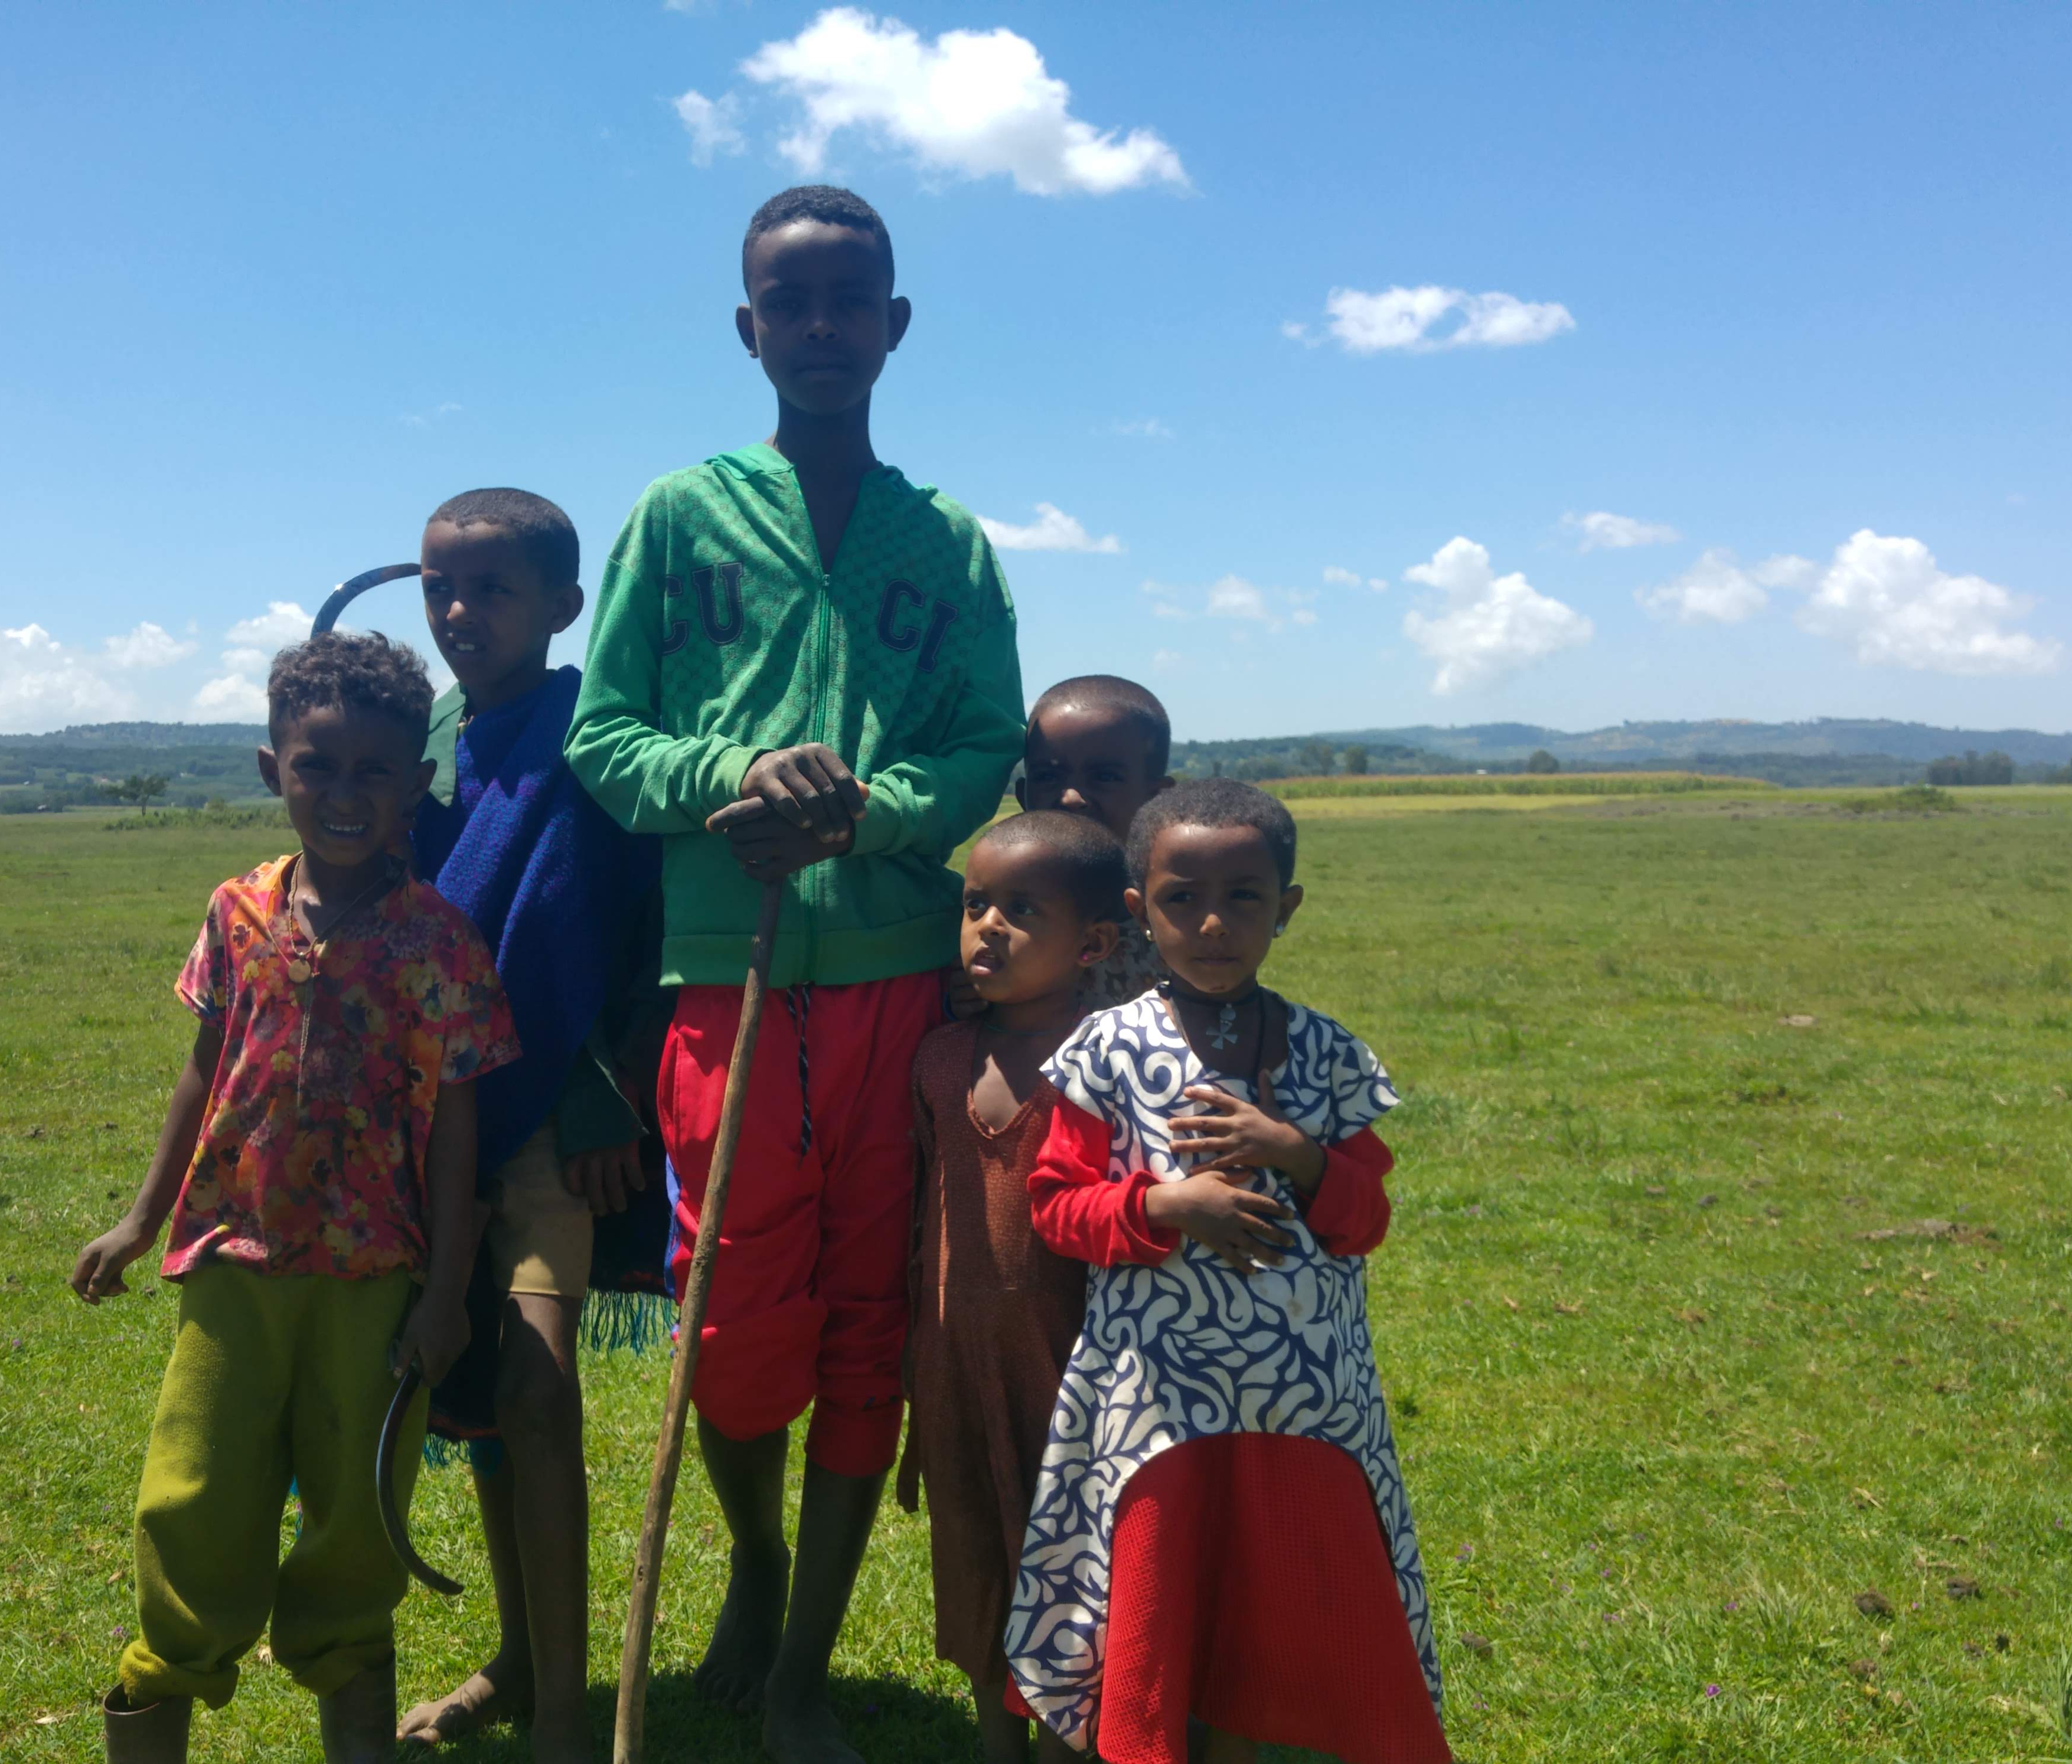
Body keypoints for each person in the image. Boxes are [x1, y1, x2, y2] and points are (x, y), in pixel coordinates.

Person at [565, 183, 1024, 1764]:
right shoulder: (680, 517)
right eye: (791, 301)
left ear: (893, 326)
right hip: (731, 984)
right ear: (749, 327)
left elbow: (984, 744)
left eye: (852, 301)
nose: (822, 328)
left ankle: (802, 1668)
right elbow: (604, 735)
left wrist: (875, 810)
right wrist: (736, 779)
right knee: (733, 1315)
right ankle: (756, 1556)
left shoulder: (948, 540)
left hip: (899, 976)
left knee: (865, 1318)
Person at [72, 632, 519, 1764]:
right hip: (234, 1261)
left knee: (356, 1527)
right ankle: (157, 1701)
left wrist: (447, 1295)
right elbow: (203, 1065)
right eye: (318, 766)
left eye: (376, 771)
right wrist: (139, 1217)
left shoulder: (440, 942)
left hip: (378, 1281)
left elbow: (459, 1130)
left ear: (418, 783)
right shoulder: (236, 912)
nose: (345, 794)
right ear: (273, 768)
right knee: (193, 1505)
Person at [1008, 779, 1449, 1764]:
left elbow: (1366, 1214)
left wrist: (1293, 1150)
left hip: (1308, 1402)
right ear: (1138, 910)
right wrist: (1169, 1205)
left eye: (1244, 896)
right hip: (1158, 1401)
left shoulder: (1327, 1054)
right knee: (1164, 1594)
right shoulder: (1107, 1049)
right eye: (1180, 897)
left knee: (1283, 1601)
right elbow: (1054, 1206)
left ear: (1285, 907)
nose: (1212, 921)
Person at [394, 487, 667, 1764]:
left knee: (538, 1385)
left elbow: (631, 928)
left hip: (558, 1115)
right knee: (477, 1392)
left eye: (492, 589)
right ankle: (513, 1654)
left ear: (564, 607)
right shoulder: (433, 737)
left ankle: (567, 1710)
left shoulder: (593, 734)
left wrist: (609, 1085)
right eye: (441, 588)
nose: (459, 613)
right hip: (428, 1116)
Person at [895, 812, 1123, 1764]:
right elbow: (921, 1220)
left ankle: (1073, 1737)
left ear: (1094, 943)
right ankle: (997, 1737)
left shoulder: (1109, 1059)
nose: (988, 925)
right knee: (975, 1547)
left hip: (1074, 1375)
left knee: (1074, 1559)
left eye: (1021, 909)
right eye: (975, 903)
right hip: (956, 1365)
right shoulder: (940, 1057)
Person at [1013, 674, 1177, 1009]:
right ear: (1023, 796)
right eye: (1047, 777)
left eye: (1104, 777)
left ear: (1158, 798)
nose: (1072, 798)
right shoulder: (993, 908)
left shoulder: (1181, 916)